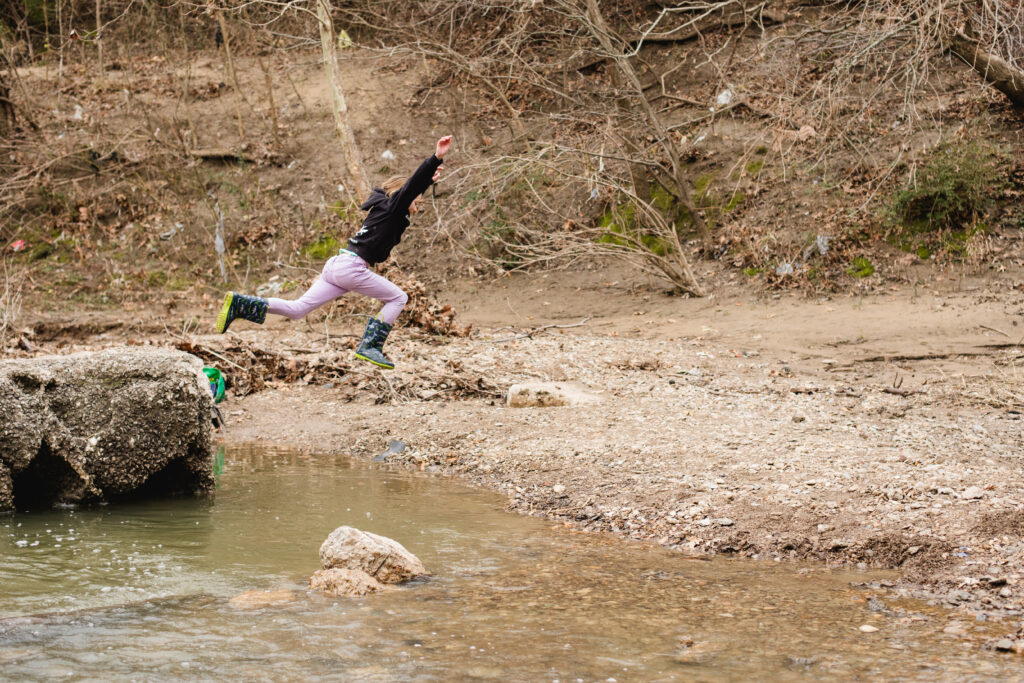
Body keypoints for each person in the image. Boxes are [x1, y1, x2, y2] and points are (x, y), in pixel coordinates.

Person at [215, 135, 452, 370]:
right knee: (399, 297)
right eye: (416, 202)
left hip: (337, 265)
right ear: (403, 194)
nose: (416, 207)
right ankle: (370, 346)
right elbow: (410, 188)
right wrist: (436, 158)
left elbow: (411, 187)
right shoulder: (393, 208)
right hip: (351, 268)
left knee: (298, 309)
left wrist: (426, 181)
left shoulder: (383, 208)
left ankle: (241, 304)